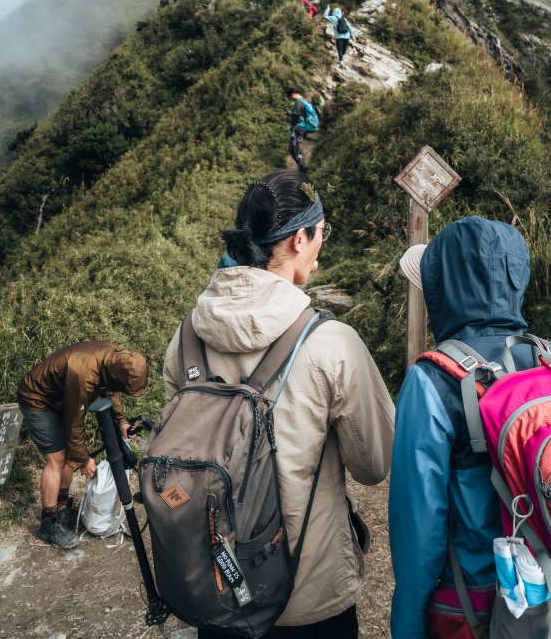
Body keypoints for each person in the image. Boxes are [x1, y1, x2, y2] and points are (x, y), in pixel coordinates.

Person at [163, 170, 395, 639]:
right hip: (309, 598)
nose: (321, 246)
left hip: (219, 591)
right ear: (297, 239)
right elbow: (374, 464)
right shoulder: (332, 343)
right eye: (321, 233)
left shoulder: (186, 337)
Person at [389, 216, 536, 639]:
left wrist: (408, 627)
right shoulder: (543, 360)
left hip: (469, 608)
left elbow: (418, 531)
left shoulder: (432, 380)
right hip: (540, 597)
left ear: (445, 287)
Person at [17, 341, 148, 549]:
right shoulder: (83, 374)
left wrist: (122, 420)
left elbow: (110, 390)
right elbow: (74, 422)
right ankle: (49, 524)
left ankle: (61, 507)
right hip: (37, 398)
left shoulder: (113, 359)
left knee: (70, 453)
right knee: (58, 458)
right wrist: (84, 459)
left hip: (60, 396)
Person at [285, 86, 318, 173]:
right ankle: (302, 167)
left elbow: (296, 117)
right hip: (304, 129)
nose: (291, 99)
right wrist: (291, 114)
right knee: (297, 147)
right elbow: (300, 115)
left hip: (298, 128)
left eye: (290, 97)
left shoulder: (297, 102)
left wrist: (290, 116)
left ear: (292, 95)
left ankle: (302, 167)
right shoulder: (304, 101)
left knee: (293, 148)